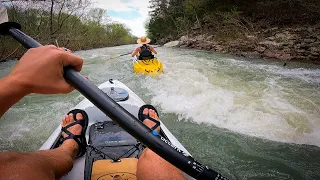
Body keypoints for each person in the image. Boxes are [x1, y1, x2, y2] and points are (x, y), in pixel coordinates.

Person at [0, 45, 185, 180]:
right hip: (151, 65)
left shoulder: (139, 49)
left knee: (11, 165)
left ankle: (70, 146)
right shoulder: (150, 50)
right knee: (156, 155)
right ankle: (153, 142)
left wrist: (18, 81)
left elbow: (132, 54)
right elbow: (155, 53)